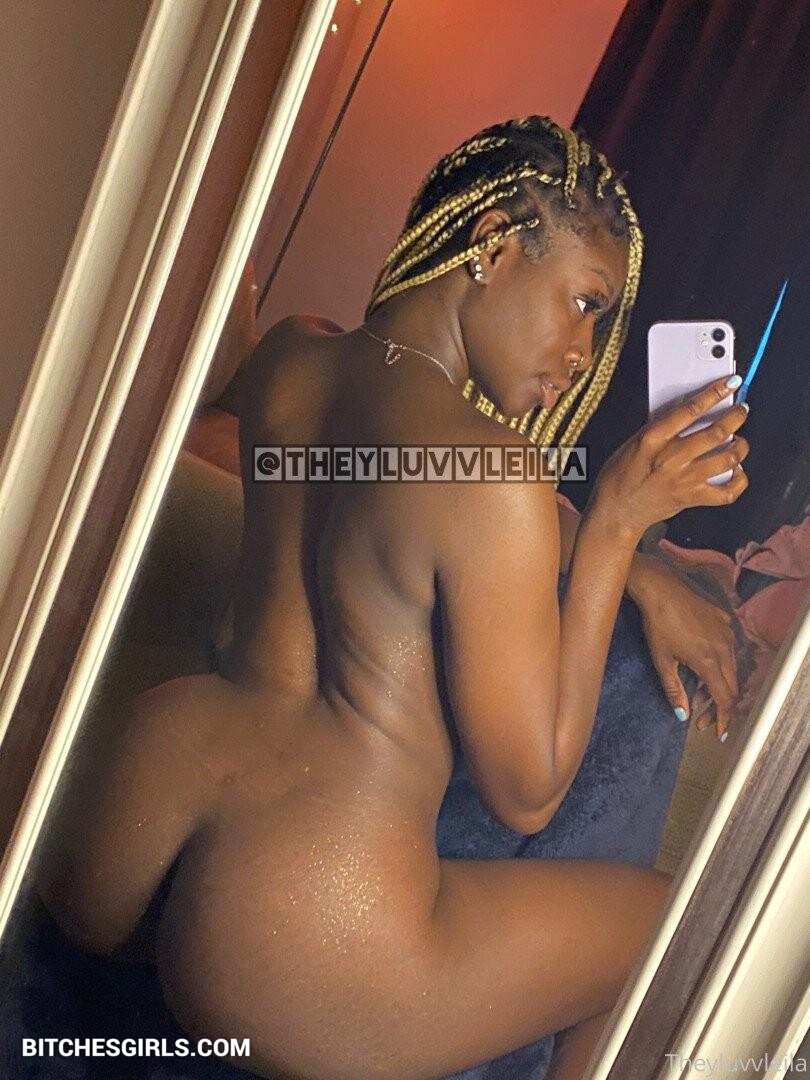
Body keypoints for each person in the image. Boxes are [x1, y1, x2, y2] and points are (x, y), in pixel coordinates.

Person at [37, 117, 749, 1080]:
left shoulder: (292, 354)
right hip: (302, 917)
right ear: (493, 244)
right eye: (585, 302)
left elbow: (382, 478)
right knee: (684, 927)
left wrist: (625, 559)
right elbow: (529, 791)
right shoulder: (498, 480)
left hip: (130, 810)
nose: (586, 352)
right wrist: (617, 528)